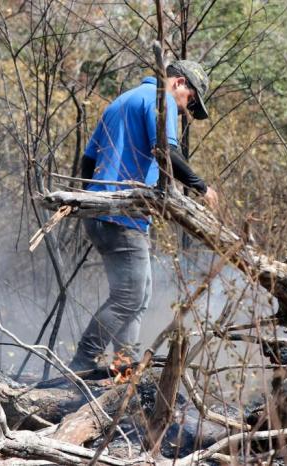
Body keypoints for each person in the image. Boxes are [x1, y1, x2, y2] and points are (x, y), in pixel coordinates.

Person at [69, 60, 219, 370]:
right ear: (178, 83)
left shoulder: (123, 100)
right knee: (129, 298)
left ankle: (126, 369)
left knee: (137, 296)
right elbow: (165, 151)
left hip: (102, 214)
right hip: (121, 217)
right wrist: (201, 188)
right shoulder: (159, 100)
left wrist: (93, 199)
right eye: (190, 100)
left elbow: (88, 159)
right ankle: (80, 365)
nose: (186, 110)